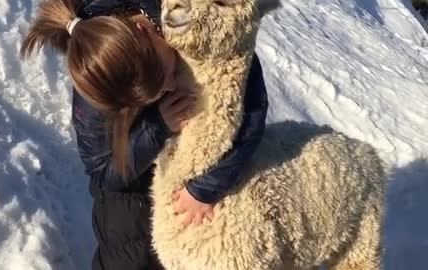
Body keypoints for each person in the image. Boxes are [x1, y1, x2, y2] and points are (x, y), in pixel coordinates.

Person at [20, 0, 268, 269]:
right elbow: (102, 168)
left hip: (202, 155)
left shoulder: (194, 14)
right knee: (127, 250)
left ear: (144, 29)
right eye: (162, 85)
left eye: (168, 73)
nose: (173, 84)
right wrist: (158, 125)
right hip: (133, 169)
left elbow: (249, 104)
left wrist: (205, 189)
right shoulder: (95, 85)